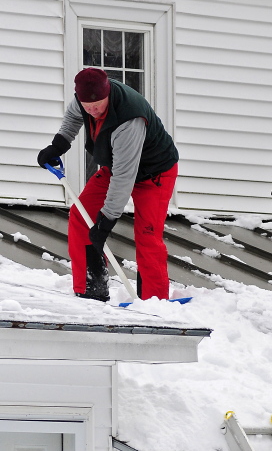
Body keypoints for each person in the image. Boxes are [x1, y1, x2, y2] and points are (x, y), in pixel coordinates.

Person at [37, 68, 178, 301]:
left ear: (108, 94)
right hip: (116, 167)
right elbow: (74, 117)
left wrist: (107, 220)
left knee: (147, 234)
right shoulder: (83, 100)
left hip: (155, 174)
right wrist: (59, 145)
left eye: (97, 105)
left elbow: (124, 176)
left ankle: (154, 302)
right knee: (81, 215)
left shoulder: (129, 119)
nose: (91, 110)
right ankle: (91, 289)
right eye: (87, 105)